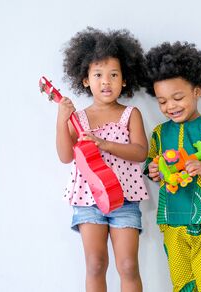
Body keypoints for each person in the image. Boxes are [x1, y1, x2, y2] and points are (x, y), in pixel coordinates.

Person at [57, 27, 149, 292]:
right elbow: (65, 156)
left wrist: (106, 144)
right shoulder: (80, 119)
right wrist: (61, 120)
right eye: (98, 75)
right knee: (96, 263)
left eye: (113, 75)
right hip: (88, 199)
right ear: (85, 79)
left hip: (125, 199)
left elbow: (140, 152)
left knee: (129, 265)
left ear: (124, 80)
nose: (106, 82)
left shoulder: (131, 113)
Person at [143, 41, 201, 292]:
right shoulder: (159, 133)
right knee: (182, 285)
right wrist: (154, 171)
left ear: (197, 91)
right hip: (173, 222)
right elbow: (153, 165)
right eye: (162, 101)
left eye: (177, 97)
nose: (170, 106)